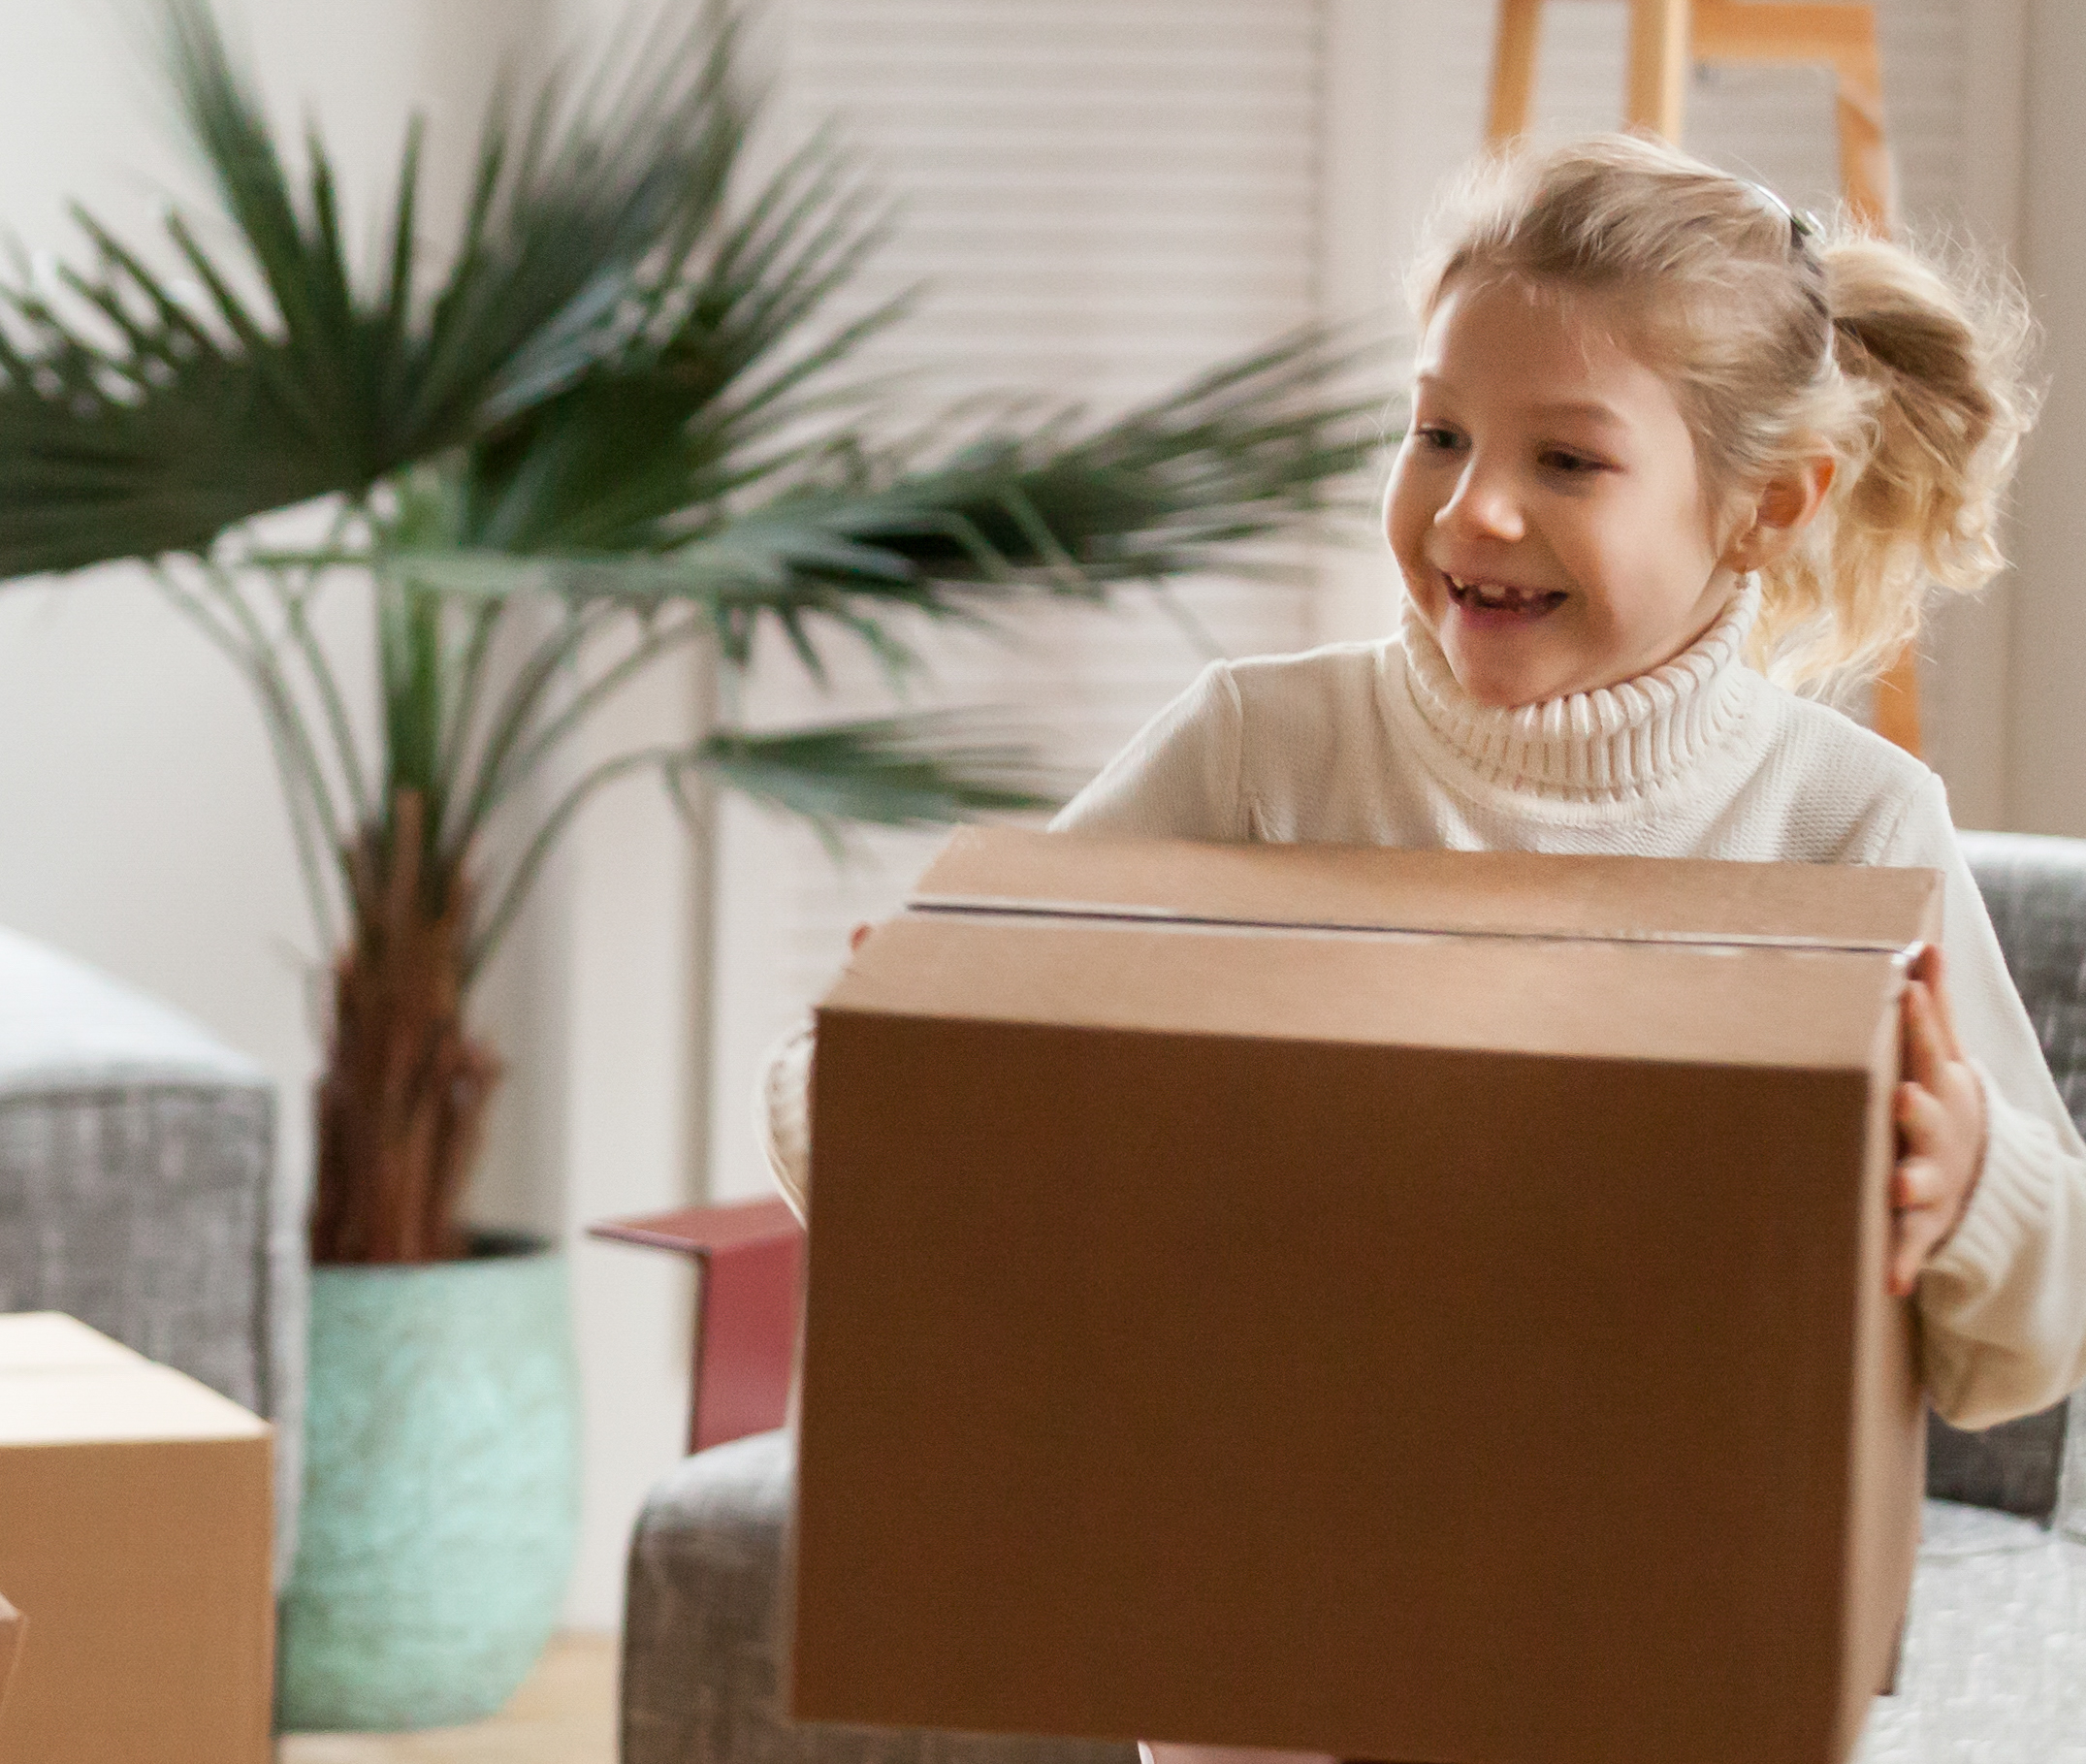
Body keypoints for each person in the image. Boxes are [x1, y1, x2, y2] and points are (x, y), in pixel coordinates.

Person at [764, 137, 2077, 1764]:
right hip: (1265, 1667)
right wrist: (914, 1060)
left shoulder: (1848, 825)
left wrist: (1969, 1186)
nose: (1474, 505)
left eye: (1570, 459)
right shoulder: (1260, 752)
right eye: (1438, 430)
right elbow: (867, 1133)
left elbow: (2031, 1340)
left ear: (1763, 507)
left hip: (1668, 1672)